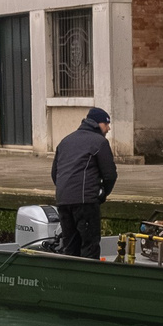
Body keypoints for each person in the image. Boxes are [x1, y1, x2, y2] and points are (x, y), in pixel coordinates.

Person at [49, 105, 118, 257]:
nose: (108, 128)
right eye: (106, 124)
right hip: (85, 202)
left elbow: (55, 173)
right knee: (89, 244)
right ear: (98, 123)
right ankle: (89, 278)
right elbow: (110, 174)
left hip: (63, 201)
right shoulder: (99, 142)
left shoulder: (65, 141)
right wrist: (102, 193)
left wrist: (66, 190)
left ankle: (71, 278)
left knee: (70, 245)